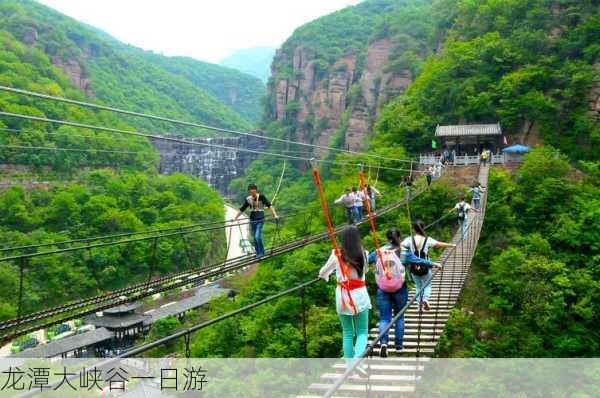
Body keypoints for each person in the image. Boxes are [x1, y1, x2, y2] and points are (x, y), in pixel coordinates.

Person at [368, 228, 438, 357]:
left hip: (383, 289)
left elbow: (366, 261)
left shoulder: (380, 251)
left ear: (386, 238)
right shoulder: (404, 251)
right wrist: (433, 264)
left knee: (384, 318)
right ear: (399, 237)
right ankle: (399, 346)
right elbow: (418, 260)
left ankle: (384, 343)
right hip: (399, 288)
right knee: (399, 317)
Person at [319, 226, 370, 371]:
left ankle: (350, 367)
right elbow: (365, 271)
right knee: (362, 332)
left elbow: (323, 272)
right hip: (360, 295)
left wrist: (326, 276)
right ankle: (356, 361)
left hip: (343, 297)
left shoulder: (336, 255)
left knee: (347, 332)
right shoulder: (364, 253)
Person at [401, 220, 456, 312]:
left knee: (418, 287)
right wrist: (451, 245)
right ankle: (426, 299)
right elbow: (439, 244)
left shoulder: (409, 239)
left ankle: (419, 307)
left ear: (413, 229)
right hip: (426, 266)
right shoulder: (427, 239)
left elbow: (400, 246)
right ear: (423, 228)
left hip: (413, 267)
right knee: (427, 285)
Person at [234, 184, 278, 257]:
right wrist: (235, 218)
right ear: (249, 191)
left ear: (255, 190)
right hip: (252, 219)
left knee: (257, 236)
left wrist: (275, 215)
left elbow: (269, 205)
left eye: (253, 189)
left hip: (260, 218)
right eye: (250, 190)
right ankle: (258, 253)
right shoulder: (248, 199)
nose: (252, 191)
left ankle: (262, 252)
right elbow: (242, 209)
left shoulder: (261, 197)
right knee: (254, 238)